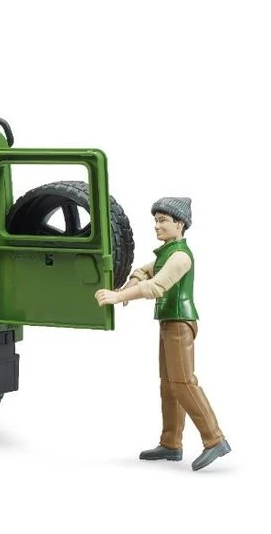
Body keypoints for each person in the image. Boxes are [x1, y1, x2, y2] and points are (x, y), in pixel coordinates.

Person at [94, 197, 231, 471]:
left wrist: (119, 296)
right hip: (169, 322)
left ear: (180, 224)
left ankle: (215, 439)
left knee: (183, 383)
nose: (157, 226)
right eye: (155, 221)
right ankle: (171, 443)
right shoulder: (167, 253)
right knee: (168, 384)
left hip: (180, 323)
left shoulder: (180, 256)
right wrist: (132, 282)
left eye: (163, 220)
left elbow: (156, 287)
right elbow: (144, 272)